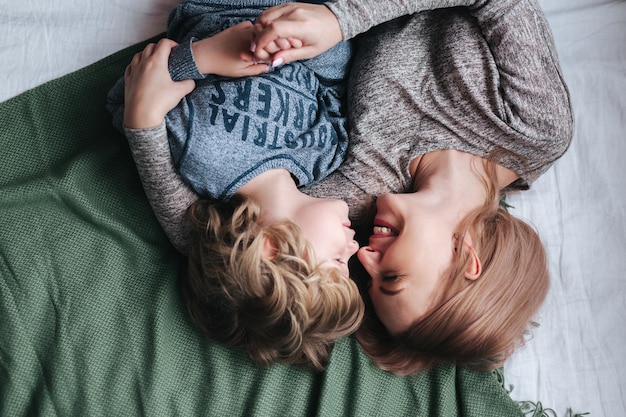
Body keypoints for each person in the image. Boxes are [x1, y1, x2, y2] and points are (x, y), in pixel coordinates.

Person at [123, 0, 574, 375]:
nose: (363, 257)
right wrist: (341, 19)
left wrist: (141, 122)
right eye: (391, 277)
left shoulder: (362, 196)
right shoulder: (533, 129)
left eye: (369, 280)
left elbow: (210, 244)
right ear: (468, 260)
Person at [106, 0, 364, 372]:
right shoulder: (327, 153)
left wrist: (204, 58)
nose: (354, 246)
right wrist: (306, 39)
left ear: (272, 247)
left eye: (339, 261)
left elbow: (129, 100)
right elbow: (335, 76)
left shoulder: (205, 156)